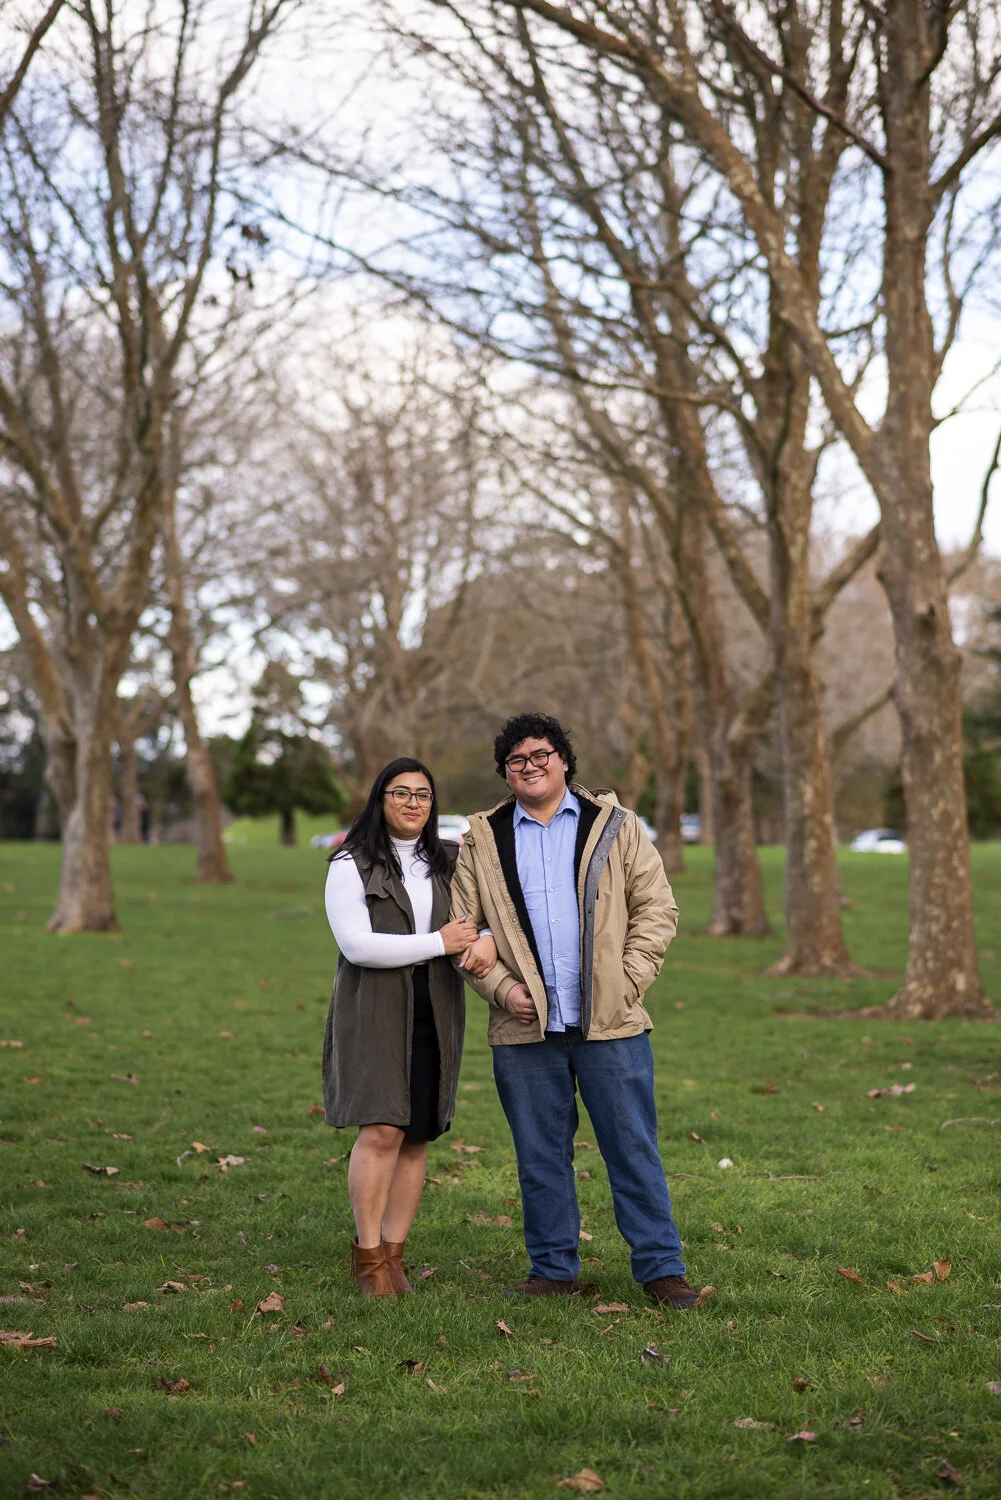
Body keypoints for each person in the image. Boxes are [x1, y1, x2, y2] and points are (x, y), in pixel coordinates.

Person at [451, 713, 698, 1308]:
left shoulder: (615, 826)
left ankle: (662, 1271)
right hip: (523, 1027)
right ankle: (552, 1270)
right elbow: (465, 930)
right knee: (540, 1157)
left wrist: (628, 981)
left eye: (541, 755)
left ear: (563, 760)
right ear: (506, 774)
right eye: (516, 761)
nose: (530, 766)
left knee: (632, 1148)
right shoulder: (482, 840)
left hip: (611, 1025)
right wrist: (503, 990)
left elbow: (656, 910)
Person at [321, 757, 494, 1298]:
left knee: (417, 1134)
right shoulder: (351, 863)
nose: (413, 803)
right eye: (401, 793)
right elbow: (358, 945)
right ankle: (369, 1257)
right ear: (380, 799)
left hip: (436, 1005)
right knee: (381, 1129)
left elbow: (484, 918)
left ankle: (395, 1257)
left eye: (423, 794)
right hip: (374, 1007)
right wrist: (440, 943)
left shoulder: (447, 862)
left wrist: (483, 937)